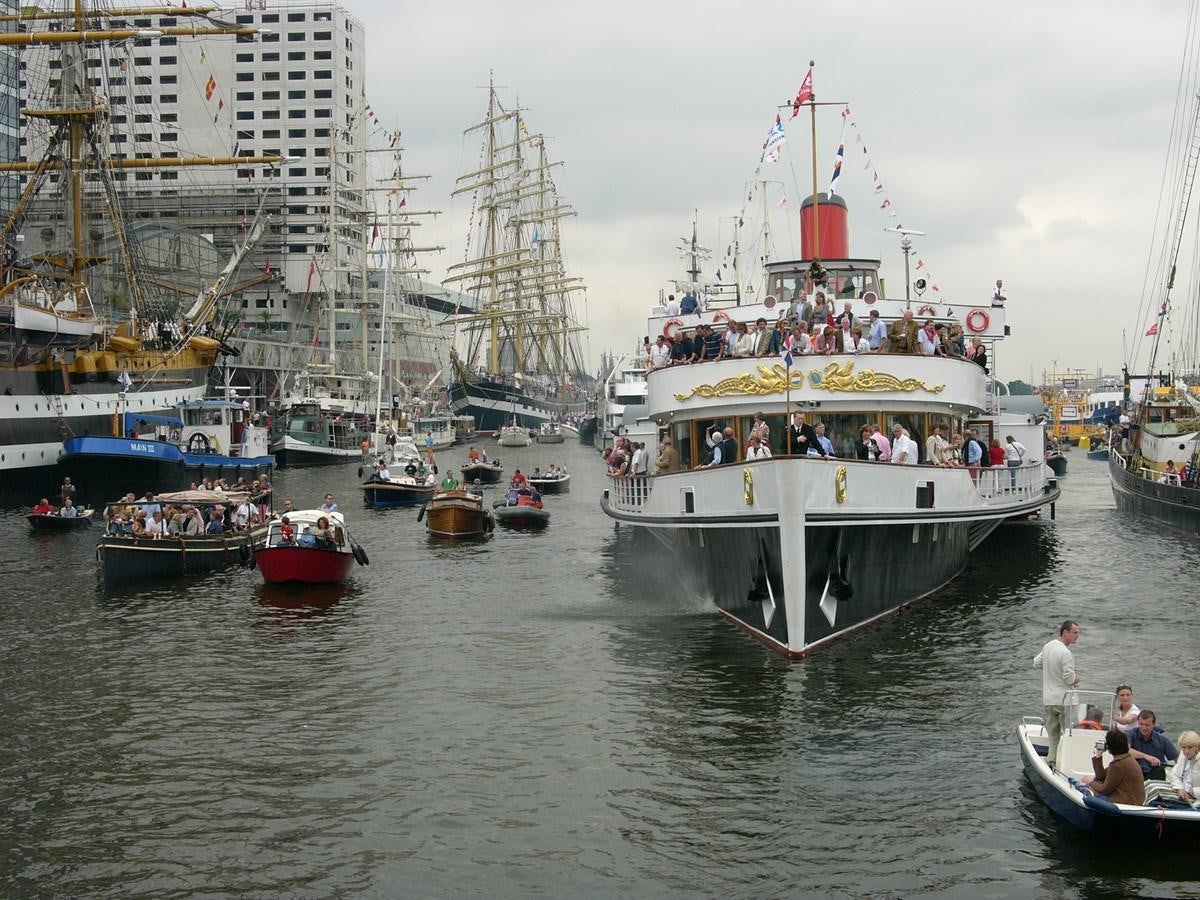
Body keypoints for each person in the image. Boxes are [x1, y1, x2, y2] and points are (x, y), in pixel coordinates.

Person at [1033, 619, 1081, 770]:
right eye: (1075, 632)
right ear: (1065, 632)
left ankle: (1052, 760)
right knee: (1068, 734)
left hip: (1049, 699)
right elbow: (1069, 678)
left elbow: (1036, 663)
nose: (1077, 636)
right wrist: (1077, 678)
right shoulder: (1066, 653)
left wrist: (1050, 670)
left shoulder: (1048, 646)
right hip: (1065, 700)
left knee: (1053, 735)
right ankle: (1066, 764)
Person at [1081, 728, 1143, 806]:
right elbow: (1101, 776)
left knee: (1086, 790)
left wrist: (1089, 782)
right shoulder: (1126, 759)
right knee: (1093, 785)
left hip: (1125, 802)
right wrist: (1098, 756)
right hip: (1133, 800)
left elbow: (1104, 789)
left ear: (1109, 747)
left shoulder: (1118, 764)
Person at [1126, 710, 1178, 781]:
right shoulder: (1130, 734)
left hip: (1154, 773)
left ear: (1154, 724)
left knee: (1160, 771)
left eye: (1147, 725)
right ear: (1138, 722)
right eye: (1141, 724)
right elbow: (1125, 750)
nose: (1144, 728)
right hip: (1134, 772)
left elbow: (1177, 759)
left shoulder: (1163, 740)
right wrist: (1147, 757)